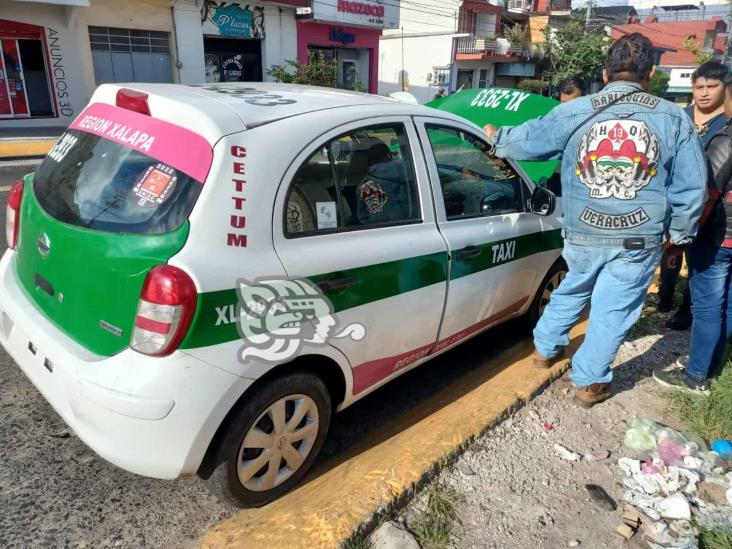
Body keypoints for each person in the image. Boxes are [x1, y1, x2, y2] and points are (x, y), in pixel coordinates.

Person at [483, 33, 707, 408]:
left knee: (575, 285)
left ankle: (545, 348)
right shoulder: (673, 118)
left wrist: (496, 137)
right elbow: (692, 186)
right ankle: (589, 382)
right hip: (638, 236)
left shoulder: (574, 110)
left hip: (584, 228)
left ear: (605, 74)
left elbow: (524, 142)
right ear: (649, 73)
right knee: (612, 307)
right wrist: (681, 233)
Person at [654, 72, 732, 393]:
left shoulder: (726, 136)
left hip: (718, 237)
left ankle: (696, 375)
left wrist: (682, 230)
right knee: (727, 305)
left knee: (708, 307)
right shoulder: (687, 119)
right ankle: (712, 365)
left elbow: (707, 190)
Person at [660, 61, 729, 330]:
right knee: (670, 250)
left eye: (712, 86)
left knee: (698, 259)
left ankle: (686, 309)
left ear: (725, 89)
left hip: (710, 205)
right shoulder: (681, 117)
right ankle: (664, 295)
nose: (704, 92)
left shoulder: (726, 122)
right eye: (699, 86)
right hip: (672, 197)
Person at [356, 142, 412, 224]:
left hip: (380, 232)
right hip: (410, 226)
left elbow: (362, 216)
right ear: (389, 155)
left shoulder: (363, 186)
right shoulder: (409, 170)